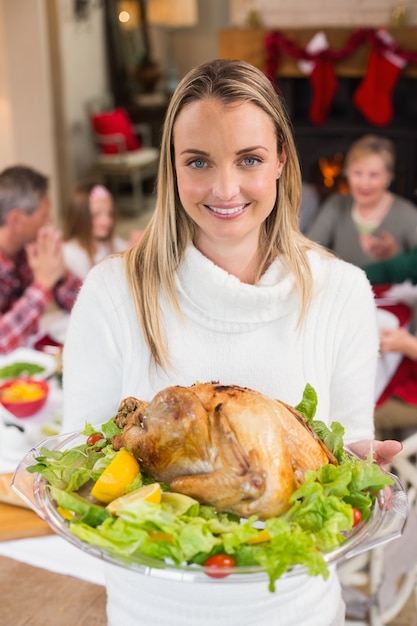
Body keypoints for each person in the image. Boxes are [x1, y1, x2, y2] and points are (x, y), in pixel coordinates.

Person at [61, 59, 401, 626]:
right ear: (171, 168)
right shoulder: (113, 292)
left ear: (281, 161)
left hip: (296, 610)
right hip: (153, 613)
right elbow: (85, 468)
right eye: (198, 161)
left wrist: (359, 467)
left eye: (249, 159)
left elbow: (344, 449)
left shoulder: (342, 292)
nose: (225, 189)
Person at [0, 165, 82, 354]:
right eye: (44, 215)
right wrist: (43, 284)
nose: (50, 220)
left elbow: (83, 303)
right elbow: (2, 341)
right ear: (16, 219)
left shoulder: (27, 250)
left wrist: (60, 275)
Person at [307, 135, 417, 266]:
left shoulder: (407, 214)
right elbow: (309, 248)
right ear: (347, 173)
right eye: (357, 173)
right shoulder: (336, 204)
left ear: (389, 177)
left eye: (374, 175)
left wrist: (395, 255)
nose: (364, 183)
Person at [62, 181, 142, 280]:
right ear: (79, 217)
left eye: (110, 214)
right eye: (96, 214)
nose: (106, 221)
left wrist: (135, 248)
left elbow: (125, 250)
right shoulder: (70, 252)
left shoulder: (110, 242)